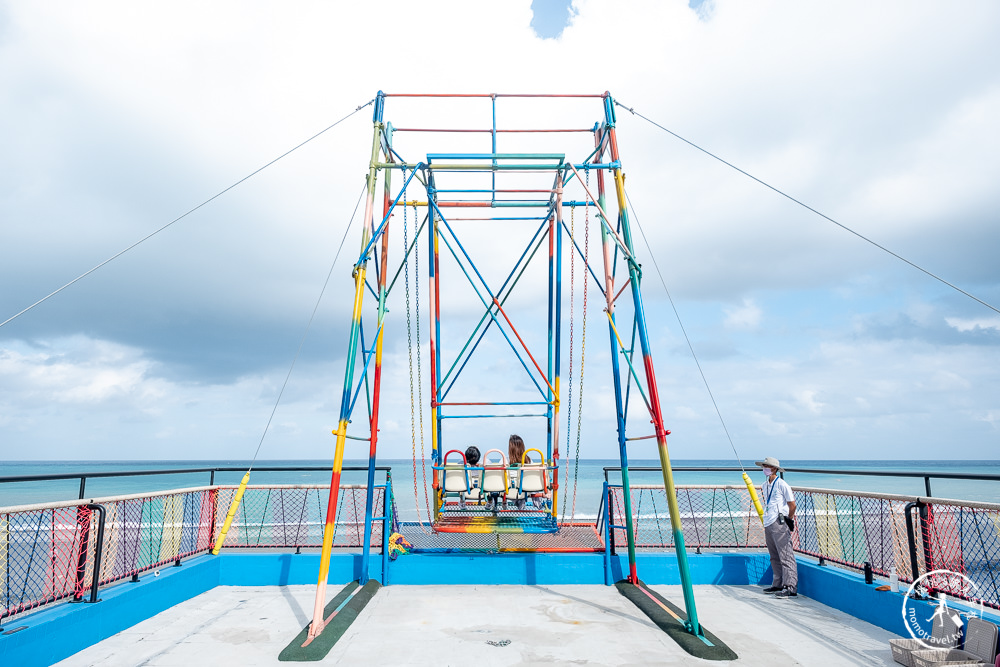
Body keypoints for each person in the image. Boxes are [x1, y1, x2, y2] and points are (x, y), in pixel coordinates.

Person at [756, 456, 797, 598]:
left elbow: (792, 504)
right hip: (768, 521)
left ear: (774, 469)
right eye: (764, 466)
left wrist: (789, 520)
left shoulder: (782, 484)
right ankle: (778, 583)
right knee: (774, 555)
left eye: (767, 466)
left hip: (779, 521)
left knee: (785, 555)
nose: (765, 469)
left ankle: (790, 586)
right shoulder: (764, 485)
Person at [508, 434, 528, 510]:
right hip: (525, 488)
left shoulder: (505, 461)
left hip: (510, 489)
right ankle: (521, 500)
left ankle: (517, 501)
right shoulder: (528, 461)